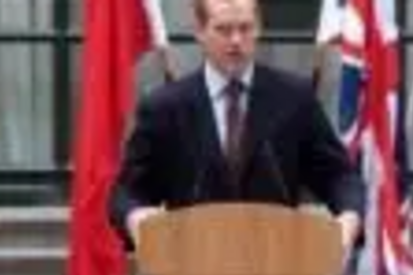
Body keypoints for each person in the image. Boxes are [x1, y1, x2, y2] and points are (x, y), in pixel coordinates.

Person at [108, 0, 364, 252]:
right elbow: (128, 192)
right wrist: (136, 217)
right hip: (191, 270)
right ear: (199, 31)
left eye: (245, 28)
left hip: (278, 269)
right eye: (224, 30)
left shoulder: (294, 99)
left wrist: (349, 218)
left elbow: (338, 176)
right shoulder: (165, 108)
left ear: (259, 28)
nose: (236, 41)